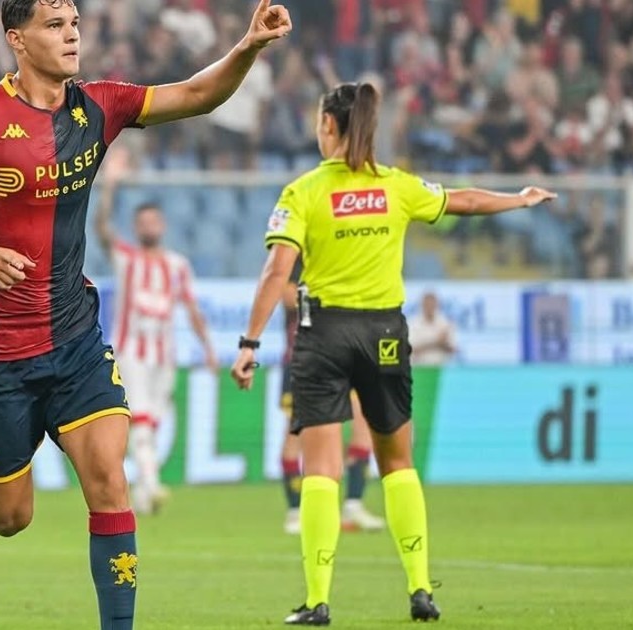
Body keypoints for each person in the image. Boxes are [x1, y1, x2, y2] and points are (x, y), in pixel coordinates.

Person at [0, 2, 292, 629]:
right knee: (7, 516)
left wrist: (248, 46)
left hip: (75, 339)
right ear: (17, 39)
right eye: (54, 25)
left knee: (109, 482)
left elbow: (197, 95)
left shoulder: (99, 106)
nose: (71, 35)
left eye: (74, 23)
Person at [231, 82, 555, 625]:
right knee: (398, 463)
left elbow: (276, 270)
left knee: (322, 470)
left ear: (328, 126)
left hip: (323, 334)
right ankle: (421, 590)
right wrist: (519, 199)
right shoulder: (396, 186)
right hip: (383, 332)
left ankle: (317, 601)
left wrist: (249, 342)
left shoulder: (303, 192)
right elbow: (463, 201)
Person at [94, 185, 218, 516]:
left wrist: (208, 348)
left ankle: (141, 490)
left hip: (163, 355)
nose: (149, 227)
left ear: (162, 225)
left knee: (152, 422)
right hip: (131, 352)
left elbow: (192, 308)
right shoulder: (126, 258)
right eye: (143, 222)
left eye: (154, 221)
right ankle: (151, 484)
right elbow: (101, 228)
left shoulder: (177, 265)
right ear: (136, 228)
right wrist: (110, 187)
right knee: (142, 418)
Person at [278, 261, 385, 535]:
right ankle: (295, 511)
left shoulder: (344, 255)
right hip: (304, 359)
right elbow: (287, 296)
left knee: (363, 423)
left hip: (348, 355)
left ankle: (353, 504)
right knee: (296, 434)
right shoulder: (296, 256)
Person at [407, 291, 457, 366]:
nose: (429, 307)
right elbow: (410, 350)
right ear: (422, 305)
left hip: (441, 368)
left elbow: (453, 349)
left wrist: (443, 344)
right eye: (427, 304)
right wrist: (436, 342)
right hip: (419, 367)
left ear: (437, 305)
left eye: (432, 304)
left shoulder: (445, 324)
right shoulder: (413, 324)